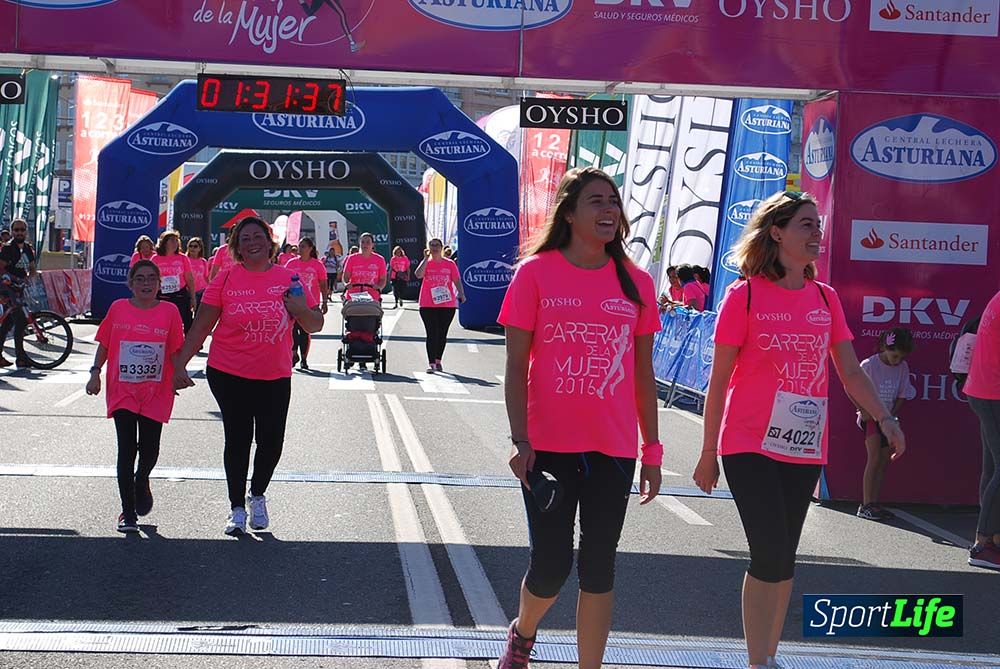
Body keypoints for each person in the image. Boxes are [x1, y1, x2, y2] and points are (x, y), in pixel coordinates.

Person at [693, 191, 905, 669]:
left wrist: (885, 418)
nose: (817, 234)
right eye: (806, 225)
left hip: (805, 445)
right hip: (748, 443)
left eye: (818, 226)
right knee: (768, 549)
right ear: (777, 232)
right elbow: (719, 380)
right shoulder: (743, 296)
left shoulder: (825, 298)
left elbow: (850, 372)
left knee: (784, 556)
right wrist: (709, 451)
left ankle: (768, 654)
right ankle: (756, 660)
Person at [498, 168, 663, 669]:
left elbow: (641, 375)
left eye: (614, 201)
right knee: (550, 567)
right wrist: (520, 440)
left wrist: (652, 452)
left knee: (598, 567)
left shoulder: (636, 283)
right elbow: (515, 367)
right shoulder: (535, 273)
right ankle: (523, 633)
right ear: (569, 213)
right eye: (596, 201)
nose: (609, 210)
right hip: (548, 447)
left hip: (612, 449)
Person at [172, 216, 324, 536]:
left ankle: (257, 495)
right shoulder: (226, 278)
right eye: (244, 239)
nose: (251, 242)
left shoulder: (289, 277)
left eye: (258, 236)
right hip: (229, 371)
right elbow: (201, 326)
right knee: (238, 439)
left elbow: (314, 325)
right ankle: (236, 508)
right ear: (236, 247)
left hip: (274, 373)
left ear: (270, 243)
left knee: (271, 441)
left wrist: (300, 308)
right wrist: (179, 364)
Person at [86, 260, 184, 533]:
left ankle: (142, 479)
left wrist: (179, 372)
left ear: (159, 283)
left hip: (156, 389)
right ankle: (128, 512)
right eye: (139, 279)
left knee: (150, 449)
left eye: (151, 278)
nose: (145, 284)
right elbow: (104, 344)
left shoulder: (170, 311)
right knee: (127, 449)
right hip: (123, 389)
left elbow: (176, 349)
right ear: (130, 284)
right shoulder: (118, 308)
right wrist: (95, 372)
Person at [855, 328, 915, 521]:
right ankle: (865, 505)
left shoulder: (903, 367)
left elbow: (902, 396)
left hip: (888, 421)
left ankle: (874, 503)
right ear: (884, 347)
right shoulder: (869, 365)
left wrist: (889, 418)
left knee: (883, 461)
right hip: (871, 419)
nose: (897, 361)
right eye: (894, 355)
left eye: (901, 357)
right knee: (873, 459)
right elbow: (853, 389)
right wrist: (863, 410)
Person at [964, 287, 1000, 571]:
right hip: (993, 392)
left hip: (984, 390)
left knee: (992, 468)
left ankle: (992, 539)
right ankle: (983, 543)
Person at [414, 238, 464, 373]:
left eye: (437, 245)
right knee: (431, 332)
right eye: (432, 245)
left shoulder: (449, 264)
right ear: (428, 247)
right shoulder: (426, 263)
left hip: (446, 304)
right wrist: (425, 259)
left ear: (441, 247)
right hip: (427, 304)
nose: (435, 247)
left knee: (442, 333)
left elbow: (456, 280)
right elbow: (418, 274)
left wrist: (461, 294)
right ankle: (431, 363)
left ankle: (438, 360)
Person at [284, 237, 329, 370]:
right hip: (293, 302)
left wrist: (325, 301)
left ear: (310, 249)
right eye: (299, 246)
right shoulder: (291, 263)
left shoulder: (317, 265)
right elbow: (283, 280)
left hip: (310, 303)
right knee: (292, 329)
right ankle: (293, 353)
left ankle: (304, 358)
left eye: (303, 246)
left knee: (304, 331)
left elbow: (323, 284)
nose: (300, 249)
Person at [0, 218, 37, 369]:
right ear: (12, 231)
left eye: (22, 230)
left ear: (26, 231)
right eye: (16, 230)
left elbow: (32, 267)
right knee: (21, 321)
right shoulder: (8, 248)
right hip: (7, 288)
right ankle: (21, 358)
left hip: (19, 288)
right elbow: (1, 268)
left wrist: (29, 278)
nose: (19, 232)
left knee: (8, 322)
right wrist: (14, 279)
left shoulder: (28, 248)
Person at [152, 230, 196, 334]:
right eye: (172, 240)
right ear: (164, 242)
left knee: (186, 319)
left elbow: (189, 278)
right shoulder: (156, 258)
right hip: (162, 294)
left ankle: (188, 345)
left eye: (177, 240)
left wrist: (193, 297)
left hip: (179, 293)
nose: (175, 243)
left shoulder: (182, 258)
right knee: (162, 320)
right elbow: (151, 277)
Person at [342, 232, 386, 302]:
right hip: (353, 296)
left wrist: (379, 287)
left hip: (372, 296)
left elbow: (383, 279)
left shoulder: (380, 259)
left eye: (368, 242)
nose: (365, 244)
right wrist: (346, 284)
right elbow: (345, 276)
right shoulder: (351, 258)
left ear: (373, 245)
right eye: (362, 242)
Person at [185, 236, 210, 312]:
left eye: (195, 246)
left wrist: (209, 289)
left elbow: (206, 277)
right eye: (190, 246)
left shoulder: (203, 261)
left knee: (199, 313)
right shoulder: (185, 259)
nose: (192, 248)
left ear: (200, 248)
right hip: (188, 291)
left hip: (201, 291)